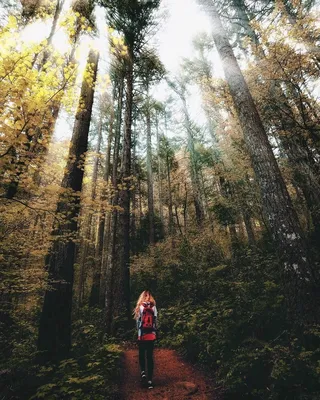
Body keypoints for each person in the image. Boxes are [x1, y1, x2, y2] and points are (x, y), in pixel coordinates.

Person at [133, 290, 158, 389]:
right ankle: (150, 380)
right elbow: (155, 322)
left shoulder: (140, 307)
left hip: (142, 334)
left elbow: (138, 323)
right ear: (151, 297)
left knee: (142, 353)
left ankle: (143, 372)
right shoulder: (153, 307)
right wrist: (155, 332)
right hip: (151, 335)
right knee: (150, 356)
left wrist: (139, 334)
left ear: (141, 297)